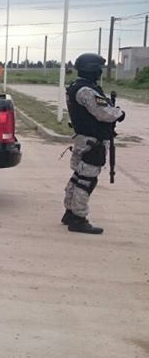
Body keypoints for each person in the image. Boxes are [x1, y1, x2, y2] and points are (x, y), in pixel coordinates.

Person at [62, 53, 125, 235]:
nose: (100, 72)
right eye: (98, 68)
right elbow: (103, 112)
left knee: (78, 176)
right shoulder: (86, 90)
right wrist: (119, 113)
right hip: (91, 141)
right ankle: (78, 218)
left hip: (83, 138)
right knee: (87, 180)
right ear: (91, 69)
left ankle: (70, 211)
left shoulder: (77, 87)